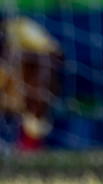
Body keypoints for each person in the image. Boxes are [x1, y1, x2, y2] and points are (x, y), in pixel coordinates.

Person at [0, 16, 64, 151]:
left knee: (43, 68)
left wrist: (17, 59)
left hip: (18, 90)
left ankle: (29, 147)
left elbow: (56, 54)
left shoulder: (19, 27)